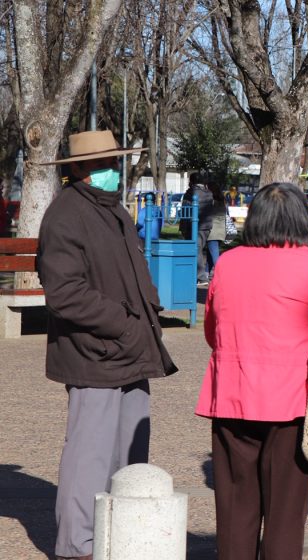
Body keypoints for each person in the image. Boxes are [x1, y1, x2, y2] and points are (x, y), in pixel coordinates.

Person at [195, 183, 308, 560]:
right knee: (286, 515)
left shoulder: (228, 263)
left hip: (231, 397)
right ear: (302, 220)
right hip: (294, 402)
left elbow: (212, 330)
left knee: (235, 509)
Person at [36, 130, 178, 560]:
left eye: (113, 162)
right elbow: (64, 294)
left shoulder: (112, 208)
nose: (110, 171)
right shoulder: (65, 215)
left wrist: (144, 319)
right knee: (89, 455)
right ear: (76, 169)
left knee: (131, 452)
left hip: (132, 351)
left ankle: (121, 533)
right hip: (95, 353)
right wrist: (123, 323)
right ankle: (77, 544)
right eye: (100, 164)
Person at [180, 171, 215, 285]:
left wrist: (183, 227)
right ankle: (195, 274)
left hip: (195, 225)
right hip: (207, 225)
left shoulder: (191, 192)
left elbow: (186, 209)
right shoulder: (209, 192)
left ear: (192, 181)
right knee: (198, 249)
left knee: (196, 250)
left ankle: (201, 277)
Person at [206, 181, 227, 278]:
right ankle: (207, 273)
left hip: (212, 230)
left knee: (214, 254)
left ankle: (221, 273)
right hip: (221, 230)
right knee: (210, 253)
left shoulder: (211, 201)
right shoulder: (222, 201)